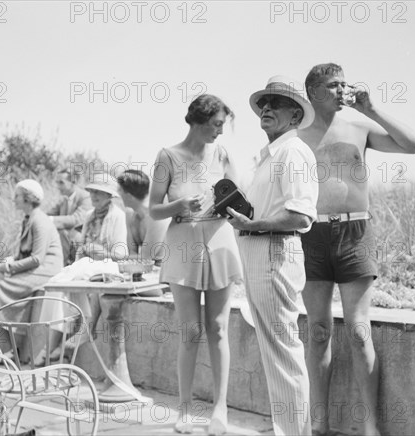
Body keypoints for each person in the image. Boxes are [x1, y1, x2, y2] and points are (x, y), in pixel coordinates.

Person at [298, 63, 415, 435]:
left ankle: (371, 425)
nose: (342, 90)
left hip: (355, 232)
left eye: (344, 84)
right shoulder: (295, 136)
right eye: (333, 85)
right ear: (313, 92)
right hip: (311, 235)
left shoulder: (359, 126)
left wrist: (372, 109)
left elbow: (413, 145)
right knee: (318, 330)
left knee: (358, 330)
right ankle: (318, 423)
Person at [226, 76, 318, 436]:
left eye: (276, 103)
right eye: (263, 102)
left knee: (283, 354)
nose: (266, 107)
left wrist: (254, 224)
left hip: (274, 252)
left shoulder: (294, 152)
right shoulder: (270, 156)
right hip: (260, 252)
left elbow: (300, 214)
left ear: (295, 116)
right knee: (275, 354)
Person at [149, 94, 243, 435]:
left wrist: (228, 204)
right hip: (183, 244)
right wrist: (179, 204)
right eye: (217, 124)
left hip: (219, 241)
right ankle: (185, 409)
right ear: (198, 121)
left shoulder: (222, 154)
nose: (220, 132)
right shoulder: (168, 156)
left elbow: (240, 200)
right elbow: (153, 209)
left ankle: (221, 409)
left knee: (218, 329)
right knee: (190, 331)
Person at [34, 173, 128, 366]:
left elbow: (121, 253)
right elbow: (81, 248)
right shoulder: (89, 216)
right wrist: (82, 254)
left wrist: (100, 251)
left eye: (99, 193)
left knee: (72, 278)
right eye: (92, 192)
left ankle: (80, 331)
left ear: (109, 196)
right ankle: (55, 340)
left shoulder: (117, 216)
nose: (94, 196)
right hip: (86, 264)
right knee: (57, 281)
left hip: (107, 266)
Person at [0, 179, 63, 353]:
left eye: (17, 195)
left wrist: (9, 268)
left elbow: (37, 259)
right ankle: (2, 346)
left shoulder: (40, 221)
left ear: (27, 198)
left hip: (44, 272)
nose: (13, 199)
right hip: (34, 270)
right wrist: (10, 261)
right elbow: (24, 253)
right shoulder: (29, 219)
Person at [116, 169, 169, 260]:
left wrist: (106, 255)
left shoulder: (157, 217)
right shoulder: (130, 215)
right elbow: (132, 253)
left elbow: (146, 258)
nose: (117, 193)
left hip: (164, 270)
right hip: (143, 270)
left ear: (129, 196)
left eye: (119, 190)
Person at [47, 168, 92, 265]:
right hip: (68, 237)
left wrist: (50, 220)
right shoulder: (64, 199)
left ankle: (60, 265)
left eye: (61, 183)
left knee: (61, 232)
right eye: (57, 182)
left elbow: (76, 219)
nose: (58, 186)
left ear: (73, 182)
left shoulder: (85, 197)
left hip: (83, 238)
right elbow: (50, 213)